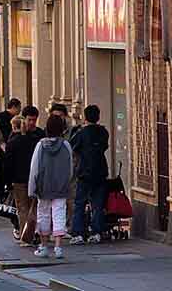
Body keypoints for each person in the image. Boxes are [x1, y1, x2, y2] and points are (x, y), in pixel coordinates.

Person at [29, 115, 73, 259]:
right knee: (59, 213)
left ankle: (43, 246)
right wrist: (67, 181)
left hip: (44, 185)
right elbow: (70, 167)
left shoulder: (40, 145)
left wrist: (32, 188)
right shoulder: (66, 145)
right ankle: (58, 247)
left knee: (43, 214)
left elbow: (34, 168)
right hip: (61, 185)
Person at [69, 105, 110, 246]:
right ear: (98, 117)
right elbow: (104, 147)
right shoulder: (103, 132)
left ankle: (78, 233)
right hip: (100, 171)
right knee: (98, 204)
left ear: (85, 117)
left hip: (85, 171)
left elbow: (73, 146)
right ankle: (97, 232)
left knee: (80, 203)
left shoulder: (81, 133)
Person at [4, 106, 44, 244]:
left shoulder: (14, 140)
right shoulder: (36, 138)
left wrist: (7, 182)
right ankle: (33, 233)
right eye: (30, 120)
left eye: (34, 120)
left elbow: (8, 163)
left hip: (21, 179)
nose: (32, 123)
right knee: (32, 208)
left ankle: (26, 236)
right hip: (31, 178)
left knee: (24, 209)